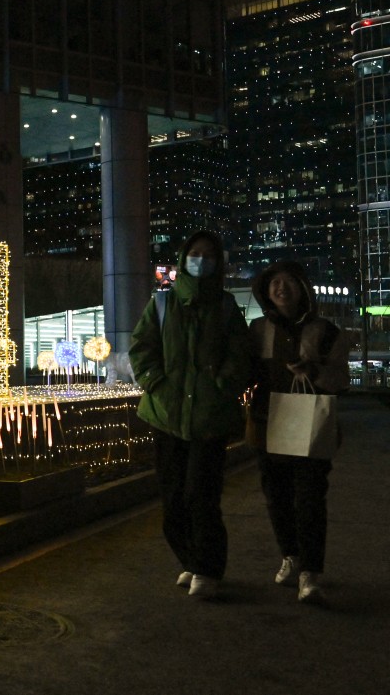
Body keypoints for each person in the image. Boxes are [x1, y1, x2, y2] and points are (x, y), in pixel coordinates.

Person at [129, 231, 250, 600]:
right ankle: (191, 560)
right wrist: (156, 383)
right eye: (195, 254)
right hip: (167, 415)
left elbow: (241, 357)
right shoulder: (163, 304)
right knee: (172, 499)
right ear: (183, 260)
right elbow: (142, 347)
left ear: (218, 263)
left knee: (202, 496)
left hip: (209, 420)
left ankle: (208, 568)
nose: (201, 260)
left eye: (208, 255)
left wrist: (221, 386)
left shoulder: (227, 308)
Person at [247, 260, 349, 605]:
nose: (281, 288)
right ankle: (290, 555)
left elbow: (340, 380)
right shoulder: (258, 329)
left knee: (309, 498)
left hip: (311, 425)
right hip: (268, 422)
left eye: (289, 281)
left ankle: (311, 572)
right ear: (265, 290)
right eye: (274, 282)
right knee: (276, 496)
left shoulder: (326, 331)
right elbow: (247, 373)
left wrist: (314, 371)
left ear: (302, 288)